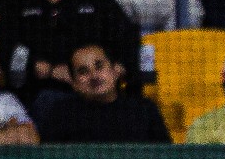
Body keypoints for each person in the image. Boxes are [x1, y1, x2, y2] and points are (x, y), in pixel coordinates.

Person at [0, 0, 141, 107]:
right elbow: (8, 56)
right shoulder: (15, 7)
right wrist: (48, 70)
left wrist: (113, 70)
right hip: (40, 96)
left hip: (96, 93)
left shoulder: (97, 0)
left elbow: (128, 43)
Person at [34, 43, 171, 143]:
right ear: (74, 83)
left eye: (99, 66)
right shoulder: (61, 114)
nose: (94, 76)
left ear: (114, 71)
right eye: (83, 71)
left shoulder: (144, 110)